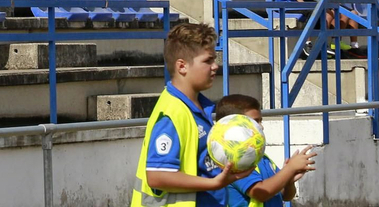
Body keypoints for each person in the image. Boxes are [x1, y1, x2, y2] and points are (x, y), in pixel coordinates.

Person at [132, 22, 243, 205]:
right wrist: (213, 183)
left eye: (214, 60)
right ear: (182, 66)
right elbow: (157, 176)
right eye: (208, 61)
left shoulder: (199, 106)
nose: (215, 66)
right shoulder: (172, 113)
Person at [212, 94, 317, 207]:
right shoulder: (234, 162)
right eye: (255, 122)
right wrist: (290, 168)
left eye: (261, 121)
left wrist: (289, 181)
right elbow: (260, 193)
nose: (261, 127)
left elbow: (285, 195)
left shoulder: (262, 157)